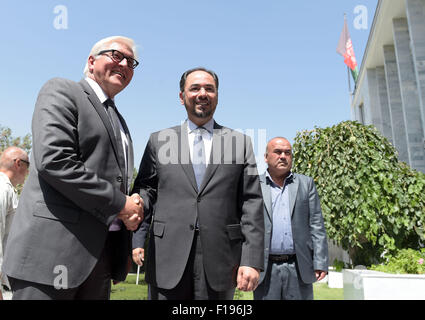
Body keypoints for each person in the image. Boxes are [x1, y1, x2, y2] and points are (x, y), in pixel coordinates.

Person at [2, 36, 144, 300]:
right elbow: (54, 160)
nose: (124, 64)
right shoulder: (63, 90)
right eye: (116, 55)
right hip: (51, 256)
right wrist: (120, 204)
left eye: (131, 62)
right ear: (91, 62)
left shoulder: (120, 121)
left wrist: (130, 210)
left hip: (99, 259)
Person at [131, 67, 264, 300]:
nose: (202, 93)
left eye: (209, 89)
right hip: (167, 256)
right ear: (182, 97)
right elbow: (146, 189)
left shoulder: (240, 143)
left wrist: (251, 260)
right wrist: (138, 225)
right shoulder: (159, 141)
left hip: (222, 259)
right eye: (195, 88)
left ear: (217, 96)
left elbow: (251, 203)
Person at [254, 137, 328, 300]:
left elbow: (316, 225)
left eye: (287, 153)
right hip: (265, 269)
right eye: (278, 152)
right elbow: (245, 226)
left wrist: (320, 261)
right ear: (266, 157)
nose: (283, 156)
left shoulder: (305, 184)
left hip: (299, 267)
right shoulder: (254, 184)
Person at [0, 147, 29, 300]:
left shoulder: (7, 189)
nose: (28, 173)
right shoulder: (2, 189)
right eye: (28, 166)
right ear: (18, 163)